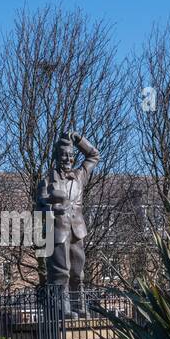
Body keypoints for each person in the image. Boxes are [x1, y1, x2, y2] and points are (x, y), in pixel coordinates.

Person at [34, 131, 99, 317]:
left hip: (77, 230)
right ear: (56, 156)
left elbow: (94, 155)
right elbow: (39, 209)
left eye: (71, 155)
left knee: (78, 272)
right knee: (61, 272)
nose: (68, 158)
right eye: (64, 155)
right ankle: (62, 309)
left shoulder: (79, 176)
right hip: (57, 231)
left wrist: (79, 140)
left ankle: (79, 305)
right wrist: (53, 209)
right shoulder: (47, 182)